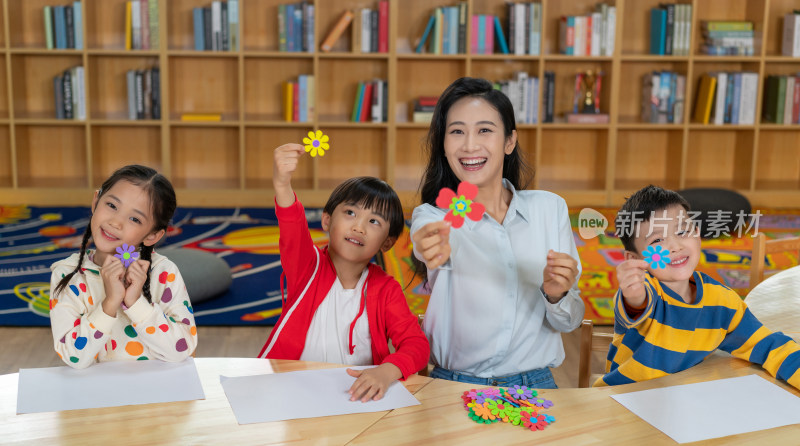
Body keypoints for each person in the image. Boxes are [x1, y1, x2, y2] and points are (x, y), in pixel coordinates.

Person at [410, 77, 584, 389]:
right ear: (444, 145)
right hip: (454, 386)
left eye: (485, 130)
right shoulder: (433, 215)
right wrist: (426, 248)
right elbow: (424, 243)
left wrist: (557, 295)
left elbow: (569, 322)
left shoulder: (549, 209)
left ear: (509, 141)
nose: (469, 145)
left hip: (537, 384)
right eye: (457, 131)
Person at [258, 143, 430, 402]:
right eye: (350, 213)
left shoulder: (386, 289)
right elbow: (293, 228)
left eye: (374, 221)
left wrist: (387, 372)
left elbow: (416, 345)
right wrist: (282, 185)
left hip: (354, 398)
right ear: (327, 220)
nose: (359, 227)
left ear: (387, 242)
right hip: (291, 392)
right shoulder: (307, 266)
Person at [596, 184, 800, 389]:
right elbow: (636, 305)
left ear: (697, 233)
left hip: (681, 400)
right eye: (657, 240)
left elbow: (769, 346)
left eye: (683, 231)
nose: (675, 247)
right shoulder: (646, 292)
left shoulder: (722, 301)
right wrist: (633, 294)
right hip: (621, 400)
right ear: (635, 258)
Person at [49, 165, 196, 369]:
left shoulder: (164, 273)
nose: (116, 222)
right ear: (95, 201)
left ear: (152, 235)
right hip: (98, 398)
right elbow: (73, 357)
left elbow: (182, 351)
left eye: (135, 219)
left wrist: (136, 303)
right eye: (111, 205)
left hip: (157, 396)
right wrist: (110, 303)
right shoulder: (68, 274)